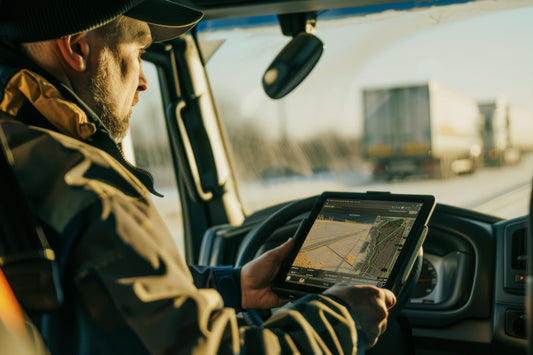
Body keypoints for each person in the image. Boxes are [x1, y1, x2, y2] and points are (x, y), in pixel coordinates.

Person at [0, 0, 396, 354]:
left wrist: (235, 286)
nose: (143, 80)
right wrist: (339, 320)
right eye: (138, 51)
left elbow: (91, 296)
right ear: (77, 48)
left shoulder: (18, 160)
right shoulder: (84, 187)